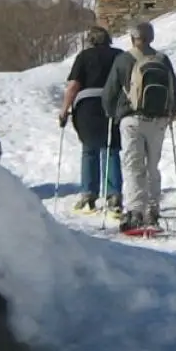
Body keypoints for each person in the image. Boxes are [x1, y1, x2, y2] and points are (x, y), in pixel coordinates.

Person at [102, 21, 176, 233]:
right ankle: (153, 211)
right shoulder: (162, 59)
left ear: (132, 38)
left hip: (132, 119)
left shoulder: (123, 59)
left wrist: (113, 113)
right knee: (152, 166)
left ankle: (135, 212)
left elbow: (109, 93)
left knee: (133, 166)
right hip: (159, 120)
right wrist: (169, 113)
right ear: (151, 38)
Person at [58, 26, 122, 214]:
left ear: (90, 40)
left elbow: (73, 86)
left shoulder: (84, 57)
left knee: (89, 149)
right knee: (111, 149)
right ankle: (114, 195)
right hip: (112, 105)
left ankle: (88, 194)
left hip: (87, 106)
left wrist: (64, 110)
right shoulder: (119, 55)